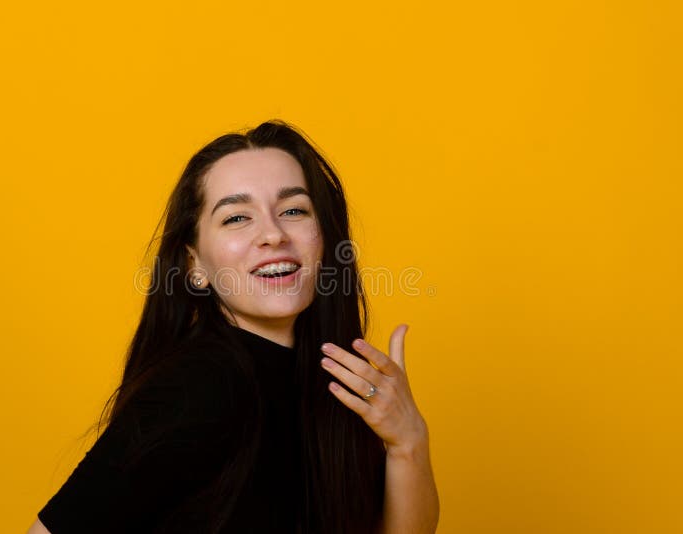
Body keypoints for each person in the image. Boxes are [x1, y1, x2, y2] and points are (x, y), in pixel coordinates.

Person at [27, 120, 439, 534]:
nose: (273, 235)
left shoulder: (327, 381)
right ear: (195, 265)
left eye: (294, 210)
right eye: (237, 217)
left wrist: (408, 441)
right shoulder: (198, 386)